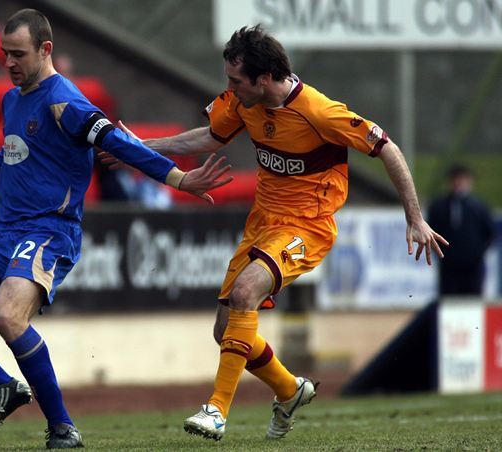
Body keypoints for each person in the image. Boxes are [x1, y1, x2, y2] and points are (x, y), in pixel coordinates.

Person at [100, 25, 448, 442]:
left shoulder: (318, 111)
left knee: (246, 293)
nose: (228, 88)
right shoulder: (244, 101)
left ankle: (215, 410)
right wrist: (142, 146)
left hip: (308, 226)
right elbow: (209, 138)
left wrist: (414, 217)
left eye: (235, 81)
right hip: (262, 224)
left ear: (264, 78)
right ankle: (289, 389)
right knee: (224, 331)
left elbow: (387, 147)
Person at [0, 9, 232, 449]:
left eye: (18, 54)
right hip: (3, 232)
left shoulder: (68, 102)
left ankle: (62, 426)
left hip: (48, 231)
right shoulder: (12, 99)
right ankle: (1, 385)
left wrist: (179, 179)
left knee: (7, 315)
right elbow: (11, 157)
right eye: (4, 54)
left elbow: (117, 144)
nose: (9, 63)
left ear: (46, 50)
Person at [427, 164, 494, 296]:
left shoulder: (479, 207)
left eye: (462, 179)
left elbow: (490, 233)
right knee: (449, 303)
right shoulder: (439, 207)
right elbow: (431, 231)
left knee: (473, 302)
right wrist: (442, 254)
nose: (458, 183)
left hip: (473, 266)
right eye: (455, 179)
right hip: (448, 266)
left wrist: (477, 253)